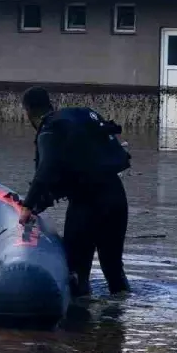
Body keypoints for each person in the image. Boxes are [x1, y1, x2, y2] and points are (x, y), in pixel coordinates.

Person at [17, 87, 132, 297]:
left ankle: (79, 325)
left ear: (27, 112)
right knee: (114, 268)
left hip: (87, 204)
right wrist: (40, 204)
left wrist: (28, 205)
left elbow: (47, 168)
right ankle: (116, 325)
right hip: (116, 197)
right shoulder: (78, 119)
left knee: (78, 270)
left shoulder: (49, 129)